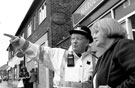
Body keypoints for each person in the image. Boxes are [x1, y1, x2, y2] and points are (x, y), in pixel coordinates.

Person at [4, 25, 97, 88]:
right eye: (73, 38)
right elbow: (38, 51)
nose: (74, 41)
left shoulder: (96, 61)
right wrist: (21, 43)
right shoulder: (59, 55)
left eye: (79, 38)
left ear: (87, 42)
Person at [91, 18, 135, 88]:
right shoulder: (103, 56)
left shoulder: (123, 45)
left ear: (107, 29)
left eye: (96, 32)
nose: (94, 37)